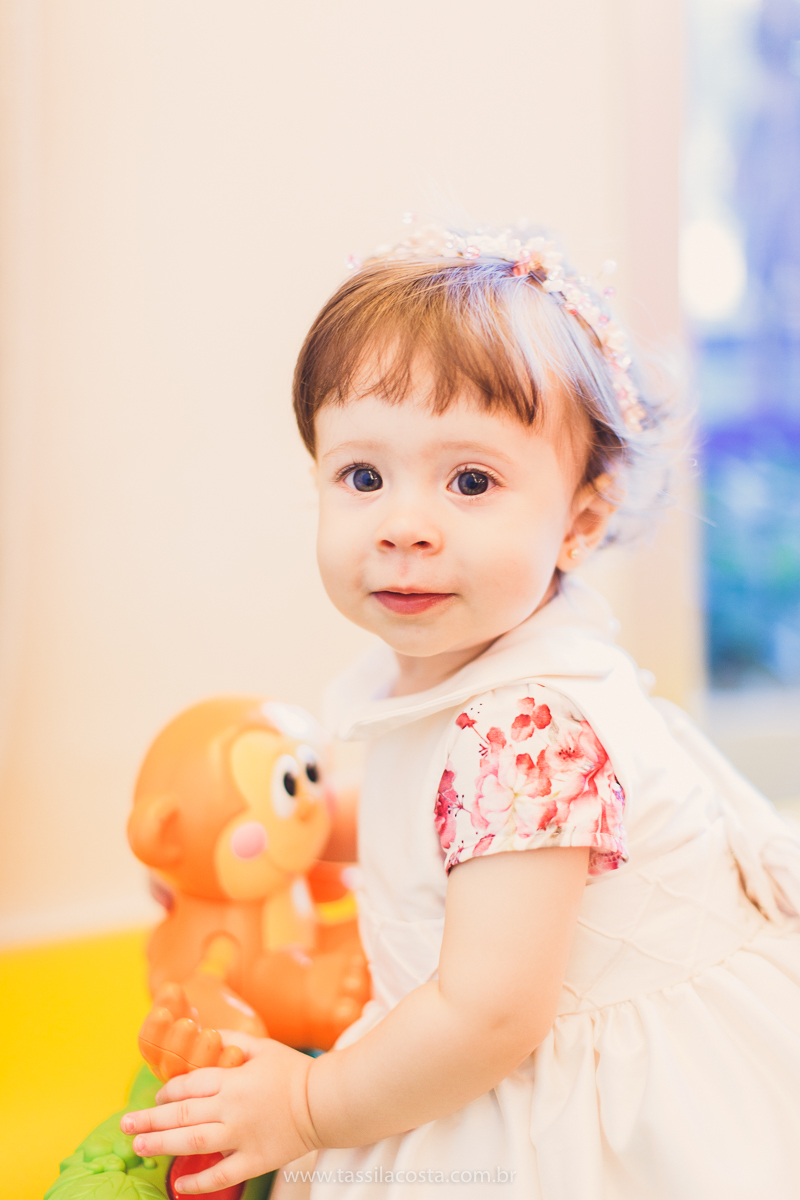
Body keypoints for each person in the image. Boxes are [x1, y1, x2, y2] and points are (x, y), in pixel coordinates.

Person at [122, 224, 800, 1199]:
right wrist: (282, 835)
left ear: (578, 520)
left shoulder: (528, 732)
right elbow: (429, 806)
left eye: (470, 481)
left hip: (563, 1083)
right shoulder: (468, 669)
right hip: (483, 1027)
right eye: (363, 476)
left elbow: (488, 1018)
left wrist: (309, 1107)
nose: (403, 525)